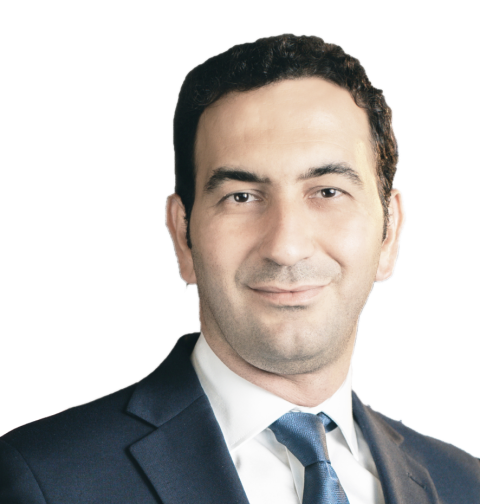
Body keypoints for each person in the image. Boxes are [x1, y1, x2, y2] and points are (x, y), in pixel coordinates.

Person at [1, 33, 478, 504]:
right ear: (183, 236)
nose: (286, 247)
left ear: (390, 231)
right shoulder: (41, 480)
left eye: (328, 191)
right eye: (242, 197)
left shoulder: (466, 485)